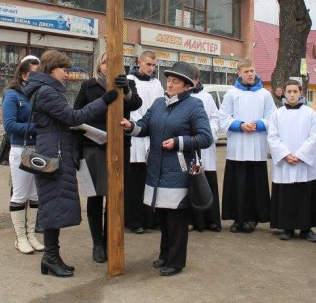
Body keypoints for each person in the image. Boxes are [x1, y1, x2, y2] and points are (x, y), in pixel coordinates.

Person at [23, 49, 121, 278]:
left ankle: (51, 257)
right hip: (53, 153)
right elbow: (73, 117)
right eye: (64, 70)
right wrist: (104, 101)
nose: (67, 74)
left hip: (54, 149)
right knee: (53, 205)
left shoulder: (46, 89)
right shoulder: (47, 92)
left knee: (54, 204)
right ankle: (50, 257)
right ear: (51, 69)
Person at [121, 61, 213, 276]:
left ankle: (176, 261)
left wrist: (179, 142)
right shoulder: (158, 103)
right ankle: (164, 256)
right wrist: (131, 126)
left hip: (179, 171)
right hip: (155, 170)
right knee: (162, 217)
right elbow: (144, 126)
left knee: (176, 219)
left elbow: (206, 137)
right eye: (169, 80)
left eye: (175, 81)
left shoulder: (194, 106)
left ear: (187, 86)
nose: (169, 84)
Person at [73, 53, 142, 264]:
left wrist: (127, 91)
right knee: (95, 197)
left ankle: (110, 240)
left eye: (112, 63)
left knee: (115, 197)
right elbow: (76, 117)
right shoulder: (88, 86)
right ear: (99, 65)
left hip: (119, 148)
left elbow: (136, 105)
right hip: (92, 147)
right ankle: (97, 243)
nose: (107, 67)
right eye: (104, 62)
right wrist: (76, 151)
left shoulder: (127, 83)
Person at [219, 58, 276, 233]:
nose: (250, 74)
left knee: (254, 185)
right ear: (239, 73)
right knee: (237, 184)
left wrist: (258, 124)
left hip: (256, 146)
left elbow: (273, 117)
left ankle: (253, 218)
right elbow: (223, 117)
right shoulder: (231, 94)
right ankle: (238, 218)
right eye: (246, 71)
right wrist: (240, 125)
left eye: (252, 70)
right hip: (237, 147)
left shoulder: (265, 94)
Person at [267, 79, 316, 242]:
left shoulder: (310, 113)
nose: (292, 95)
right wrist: (285, 154)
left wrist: (299, 155)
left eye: (295, 92)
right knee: (287, 195)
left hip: (303, 162)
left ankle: (306, 228)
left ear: (301, 93)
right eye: (289, 92)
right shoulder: (277, 114)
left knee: (305, 193)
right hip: (285, 161)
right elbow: (273, 137)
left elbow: (314, 137)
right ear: (284, 93)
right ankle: (287, 227)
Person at [2, 55, 42, 254]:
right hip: (20, 148)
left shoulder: (38, 94)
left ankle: (31, 235)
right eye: (35, 73)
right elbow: (9, 125)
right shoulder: (12, 95)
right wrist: (37, 127)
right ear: (25, 75)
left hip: (37, 149)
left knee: (35, 194)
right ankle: (20, 237)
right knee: (20, 195)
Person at [126, 50, 165, 233]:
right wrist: (140, 125)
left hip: (153, 134)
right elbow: (130, 107)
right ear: (139, 62)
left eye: (154, 65)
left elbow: (160, 105)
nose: (151, 68)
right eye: (148, 64)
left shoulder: (157, 84)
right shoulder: (129, 80)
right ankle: (133, 220)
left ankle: (151, 218)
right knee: (135, 181)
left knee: (151, 180)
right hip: (136, 135)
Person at [188, 64, 222, 232]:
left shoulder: (206, 97)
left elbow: (215, 118)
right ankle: (193, 220)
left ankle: (211, 220)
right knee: (190, 183)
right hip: (188, 145)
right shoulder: (181, 97)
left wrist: (209, 133)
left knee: (208, 182)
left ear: (197, 80)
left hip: (205, 146)